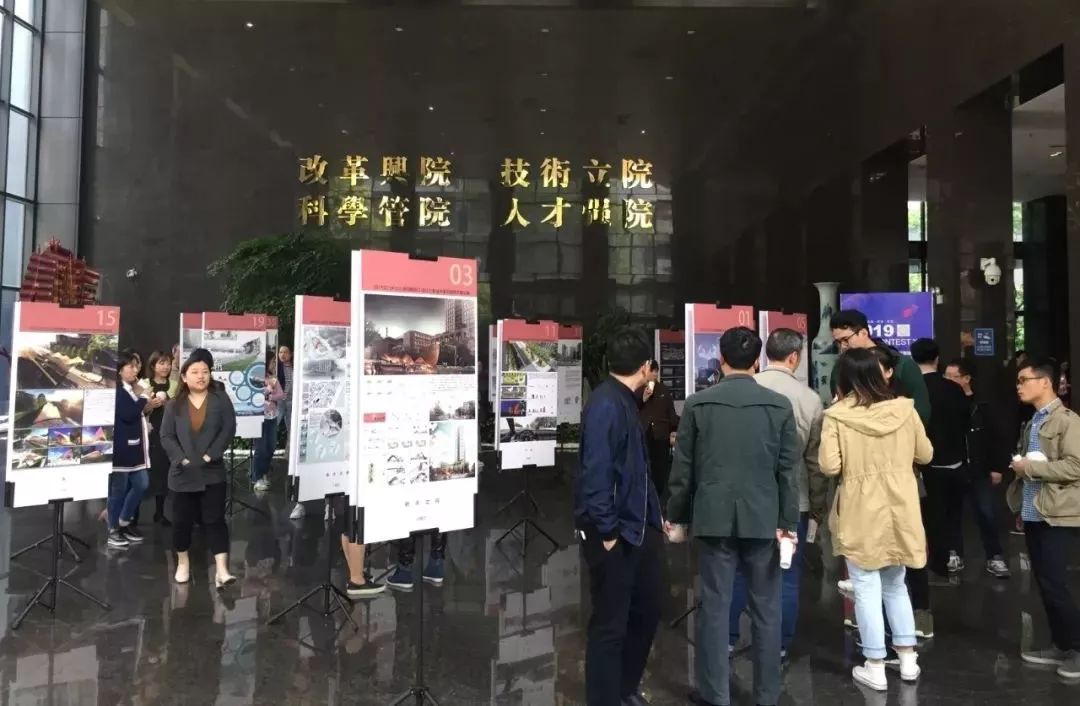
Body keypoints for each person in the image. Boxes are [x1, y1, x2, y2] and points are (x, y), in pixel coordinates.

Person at [667, 326, 799, 706]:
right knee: (766, 609)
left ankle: (715, 694)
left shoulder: (698, 404)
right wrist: (788, 524)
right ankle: (767, 694)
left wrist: (677, 517)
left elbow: (683, 468)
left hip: (714, 518)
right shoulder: (779, 406)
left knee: (714, 606)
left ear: (720, 359)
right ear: (757, 361)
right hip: (764, 519)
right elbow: (788, 472)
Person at [819, 348, 934, 691]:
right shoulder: (905, 409)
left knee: (866, 588)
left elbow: (829, 465)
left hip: (860, 508)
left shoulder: (838, 416)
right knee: (896, 584)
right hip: (901, 505)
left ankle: (875, 665)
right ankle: (908, 660)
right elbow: (926, 454)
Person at [574, 326, 663, 706]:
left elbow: (634, 469)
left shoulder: (623, 399)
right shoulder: (606, 404)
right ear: (645, 367)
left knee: (645, 610)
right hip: (614, 532)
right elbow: (596, 474)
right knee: (610, 625)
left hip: (636, 528)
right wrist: (608, 533)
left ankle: (624, 689)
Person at [728, 328, 825, 659]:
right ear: (795, 357)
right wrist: (817, 506)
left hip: (744, 497)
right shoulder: (810, 399)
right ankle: (779, 644)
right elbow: (814, 462)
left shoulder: (743, 389)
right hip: (792, 500)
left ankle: (727, 638)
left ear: (764, 354)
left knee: (739, 571)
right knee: (787, 575)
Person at [1008, 356, 1080, 678]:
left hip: (1058, 514)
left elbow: (1076, 466)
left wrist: (1031, 467)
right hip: (1035, 511)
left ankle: (1076, 647)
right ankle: (1061, 645)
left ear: (1045, 382)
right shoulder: (1033, 421)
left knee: (1056, 583)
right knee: (1045, 583)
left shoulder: (1067, 421)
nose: (1019, 386)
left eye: (1024, 380)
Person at [160, 353, 238, 588]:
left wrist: (210, 455)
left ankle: (222, 570)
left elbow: (228, 429)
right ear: (184, 377)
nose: (201, 376)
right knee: (181, 522)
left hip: (212, 471)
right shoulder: (174, 405)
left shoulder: (220, 399)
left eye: (205, 371)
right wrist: (182, 459)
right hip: (182, 473)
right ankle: (183, 563)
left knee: (215, 520)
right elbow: (166, 436)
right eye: (194, 372)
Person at [943, 358, 1011, 577]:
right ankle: (954, 554)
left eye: (953, 376)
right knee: (952, 513)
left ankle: (995, 556)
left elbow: (998, 438)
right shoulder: (945, 403)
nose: (948, 380)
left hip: (979, 468)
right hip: (953, 467)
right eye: (946, 376)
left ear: (966, 378)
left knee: (985, 512)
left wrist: (997, 467)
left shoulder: (983, 405)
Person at [910, 338, 971, 579]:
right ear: (937, 358)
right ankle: (954, 555)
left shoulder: (911, 391)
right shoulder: (954, 389)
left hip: (926, 464)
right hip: (956, 461)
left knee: (930, 515)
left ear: (913, 359)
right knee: (954, 513)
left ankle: (936, 562)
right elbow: (966, 422)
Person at [830, 310, 929, 424]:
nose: (842, 347)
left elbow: (922, 413)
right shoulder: (840, 369)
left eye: (846, 340)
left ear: (863, 333)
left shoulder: (902, 364)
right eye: (838, 342)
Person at [108, 349, 152, 549]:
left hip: (134, 449)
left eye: (136, 366)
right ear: (119, 370)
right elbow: (127, 414)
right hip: (122, 449)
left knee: (142, 484)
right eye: (131, 367)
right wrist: (144, 397)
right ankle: (113, 529)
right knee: (118, 490)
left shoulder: (128, 389)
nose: (135, 370)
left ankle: (124, 521)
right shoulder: (118, 391)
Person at [141, 350, 178, 526]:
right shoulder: (144, 384)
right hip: (148, 434)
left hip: (168, 433)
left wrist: (169, 404)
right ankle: (132, 517)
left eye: (168, 363)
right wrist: (148, 406)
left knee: (163, 471)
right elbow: (135, 409)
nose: (166, 367)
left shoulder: (175, 385)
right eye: (161, 363)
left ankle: (160, 512)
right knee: (143, 473)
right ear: (153, 365)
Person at [638, 360, 679, 500]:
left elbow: (670, 412)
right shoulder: (638, 389)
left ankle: (659, 498)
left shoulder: (664, 390)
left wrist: (674, 429)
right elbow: (632, 408)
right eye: (652, 371)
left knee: (660, 468)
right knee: (644, 466)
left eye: (656, 371)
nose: (654, 374)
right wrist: (643, 398)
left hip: (661, 435)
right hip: (644, 433)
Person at [251, 356, 285, 492]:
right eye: (272, 362)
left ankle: (263, 473)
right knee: (260, 449)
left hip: (272, 416)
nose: (274, 364)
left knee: (271, 447)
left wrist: (269, 395)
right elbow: (253, 395)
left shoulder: (273, 378)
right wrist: (268, 389)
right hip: (258, 416)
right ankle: (257, 478)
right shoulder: (254, 378)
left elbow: (281, 395)